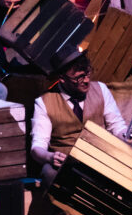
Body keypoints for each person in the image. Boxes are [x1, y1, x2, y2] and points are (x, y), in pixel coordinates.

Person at [30, 44, 127, 192]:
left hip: (101, 160)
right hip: (68, 168)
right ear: (62, 78)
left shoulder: (101, 89)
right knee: (49, 173)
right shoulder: (44, 102)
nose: (87, 81)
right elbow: (37, 148)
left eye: (87, 74)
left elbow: (117, 126)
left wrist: (124, 136)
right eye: (79, 78)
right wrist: (50, 157)